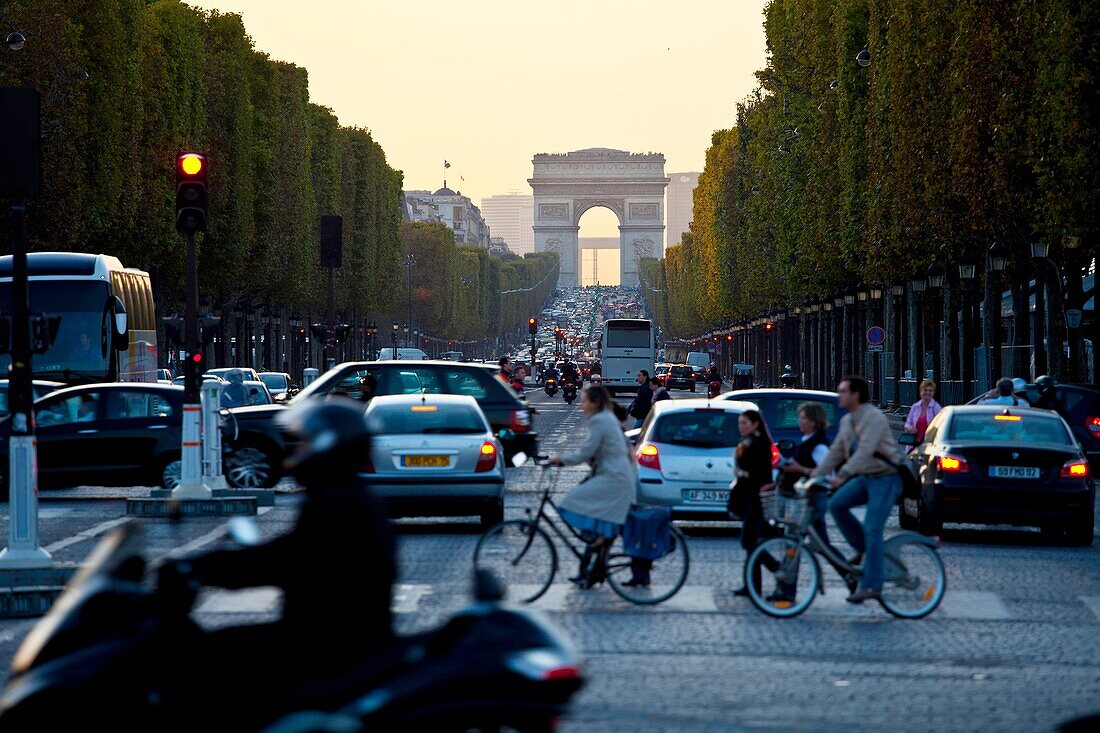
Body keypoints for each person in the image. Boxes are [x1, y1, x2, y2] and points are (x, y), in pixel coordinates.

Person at [164, 401, 397, 720]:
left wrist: (202, 568)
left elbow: (284, 560)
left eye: (304, 442)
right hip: (338, 637)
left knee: (208, 659)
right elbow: (291, 553)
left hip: (329, 645)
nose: (297, 449)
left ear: (328, 446)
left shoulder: (338, 504)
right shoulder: (346, 496)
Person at [814, 375, 901, 604]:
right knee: (836, 504)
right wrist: (816, 474)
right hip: (865, 477)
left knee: (872, 528)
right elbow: (836, 452)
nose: (838, 395)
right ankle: (863, 549)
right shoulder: (847, 421)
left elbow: (864, 451)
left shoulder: (874, 417)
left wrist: (842, 476)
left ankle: (872, 586)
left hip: (885, 478)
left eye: (843, 391)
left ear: (856, 395)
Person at [548, 386, 637, 589]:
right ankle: (593, 567)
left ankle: (595, 556)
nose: (582, 406)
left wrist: (561, 460)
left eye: (584, 401)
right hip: (617, 477)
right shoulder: (607, 417)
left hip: (613, 479)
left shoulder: (600, 420)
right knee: (600, 526)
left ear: (595, 403)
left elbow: (586, 451)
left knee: (572, 501)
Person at [729, 409, 777, 597]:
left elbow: (758, 473)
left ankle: (777, 570)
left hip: (757, 499)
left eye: (745, 423)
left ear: (756, 423)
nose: (741, 427)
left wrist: (742, 473)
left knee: (750, 541)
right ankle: (752, 584)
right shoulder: (749, 441)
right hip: (749, 498)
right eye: (740, 423)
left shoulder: (759, 444)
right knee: (751, 542)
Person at [780, 402, 832, 547]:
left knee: (792, 537)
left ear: (814, 422)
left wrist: (800, 469)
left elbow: (827, 472)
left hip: (814, 499)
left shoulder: (819, 445)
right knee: (821, 544)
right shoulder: (808, 440)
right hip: (807, 498)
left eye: (803, 418)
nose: (799, 421)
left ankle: (787, 568)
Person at [904, 379, 942, 445]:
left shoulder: (936, 407)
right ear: (920, 392)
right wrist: (910, 428)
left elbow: (941, 426)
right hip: (914, 444)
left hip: (930, 445)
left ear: (933, 393)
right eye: (925, 390)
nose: (927, 393)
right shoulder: (915, 407)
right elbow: (907, 424)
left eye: (930, 391)